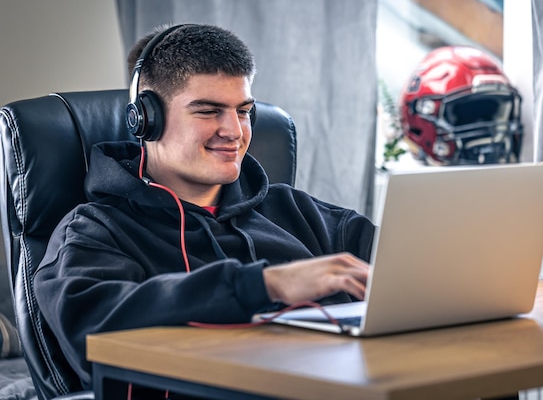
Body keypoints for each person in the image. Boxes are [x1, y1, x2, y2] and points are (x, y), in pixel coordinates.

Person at [33, 23, 375, 397]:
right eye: (209, 111)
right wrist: (266, 284)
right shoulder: (94, 231)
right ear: (146, 119)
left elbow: (414, 268)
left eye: (243, 111)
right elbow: (93, 327)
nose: (234, 131)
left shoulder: (297, 212)